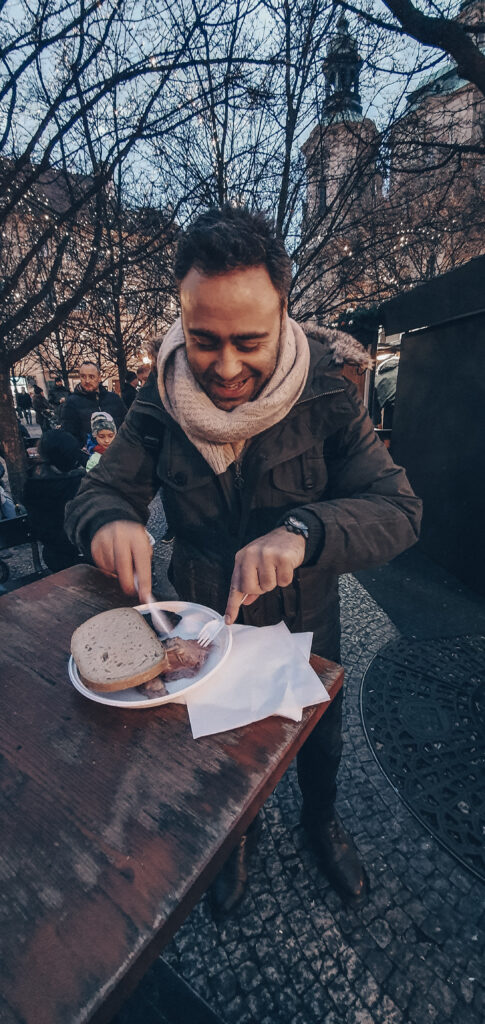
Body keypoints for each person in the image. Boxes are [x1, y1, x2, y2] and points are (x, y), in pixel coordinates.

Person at [65, 204, 422, 914]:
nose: (225, 368)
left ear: (283, 315)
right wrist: (108, 521)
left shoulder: (330, 392)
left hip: (307, 619)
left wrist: (304, 531)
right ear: (182, 319)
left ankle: (321, 822)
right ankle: (237, 836)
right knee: (224, 744)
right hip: (201, 622)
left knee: (318, 740)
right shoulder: (157, 400)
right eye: (204, 341)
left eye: (248, 341)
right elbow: (99, 492)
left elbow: (399, 510)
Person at [23, 430, 85, 572]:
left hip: (56, 555)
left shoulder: (33, 485)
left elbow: (40, 529)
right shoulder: (81, 482)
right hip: (85, 552)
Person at [60, 361, 126, 449]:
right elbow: (69, 435)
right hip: (89, 454)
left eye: (91, 376)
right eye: (83, 376)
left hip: (115, 452)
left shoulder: (114, 399)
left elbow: (125, 425)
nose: (87, 380)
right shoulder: (71, 402)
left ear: (99, 378)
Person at [374, 352, 399, 429]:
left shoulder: (378, 379)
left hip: (391, 414)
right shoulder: (408, 371)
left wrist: (376, 422)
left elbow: (374, 408)